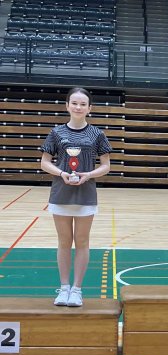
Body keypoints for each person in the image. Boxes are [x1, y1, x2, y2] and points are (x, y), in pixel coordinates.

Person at [40, 87, 112, 307]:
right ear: (67, 106)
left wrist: (88, 175)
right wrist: (62, 173)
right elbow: (44, 162)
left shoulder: (97, 134)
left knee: (82, 241)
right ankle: (63, 288)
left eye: (83, 104)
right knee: (64, 242)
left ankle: (77, 290)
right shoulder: (56, 133)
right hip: (61, 192)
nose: (78, 107)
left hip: (85, 193)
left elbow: (106, 166)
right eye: (74, 103)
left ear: (90, 108)